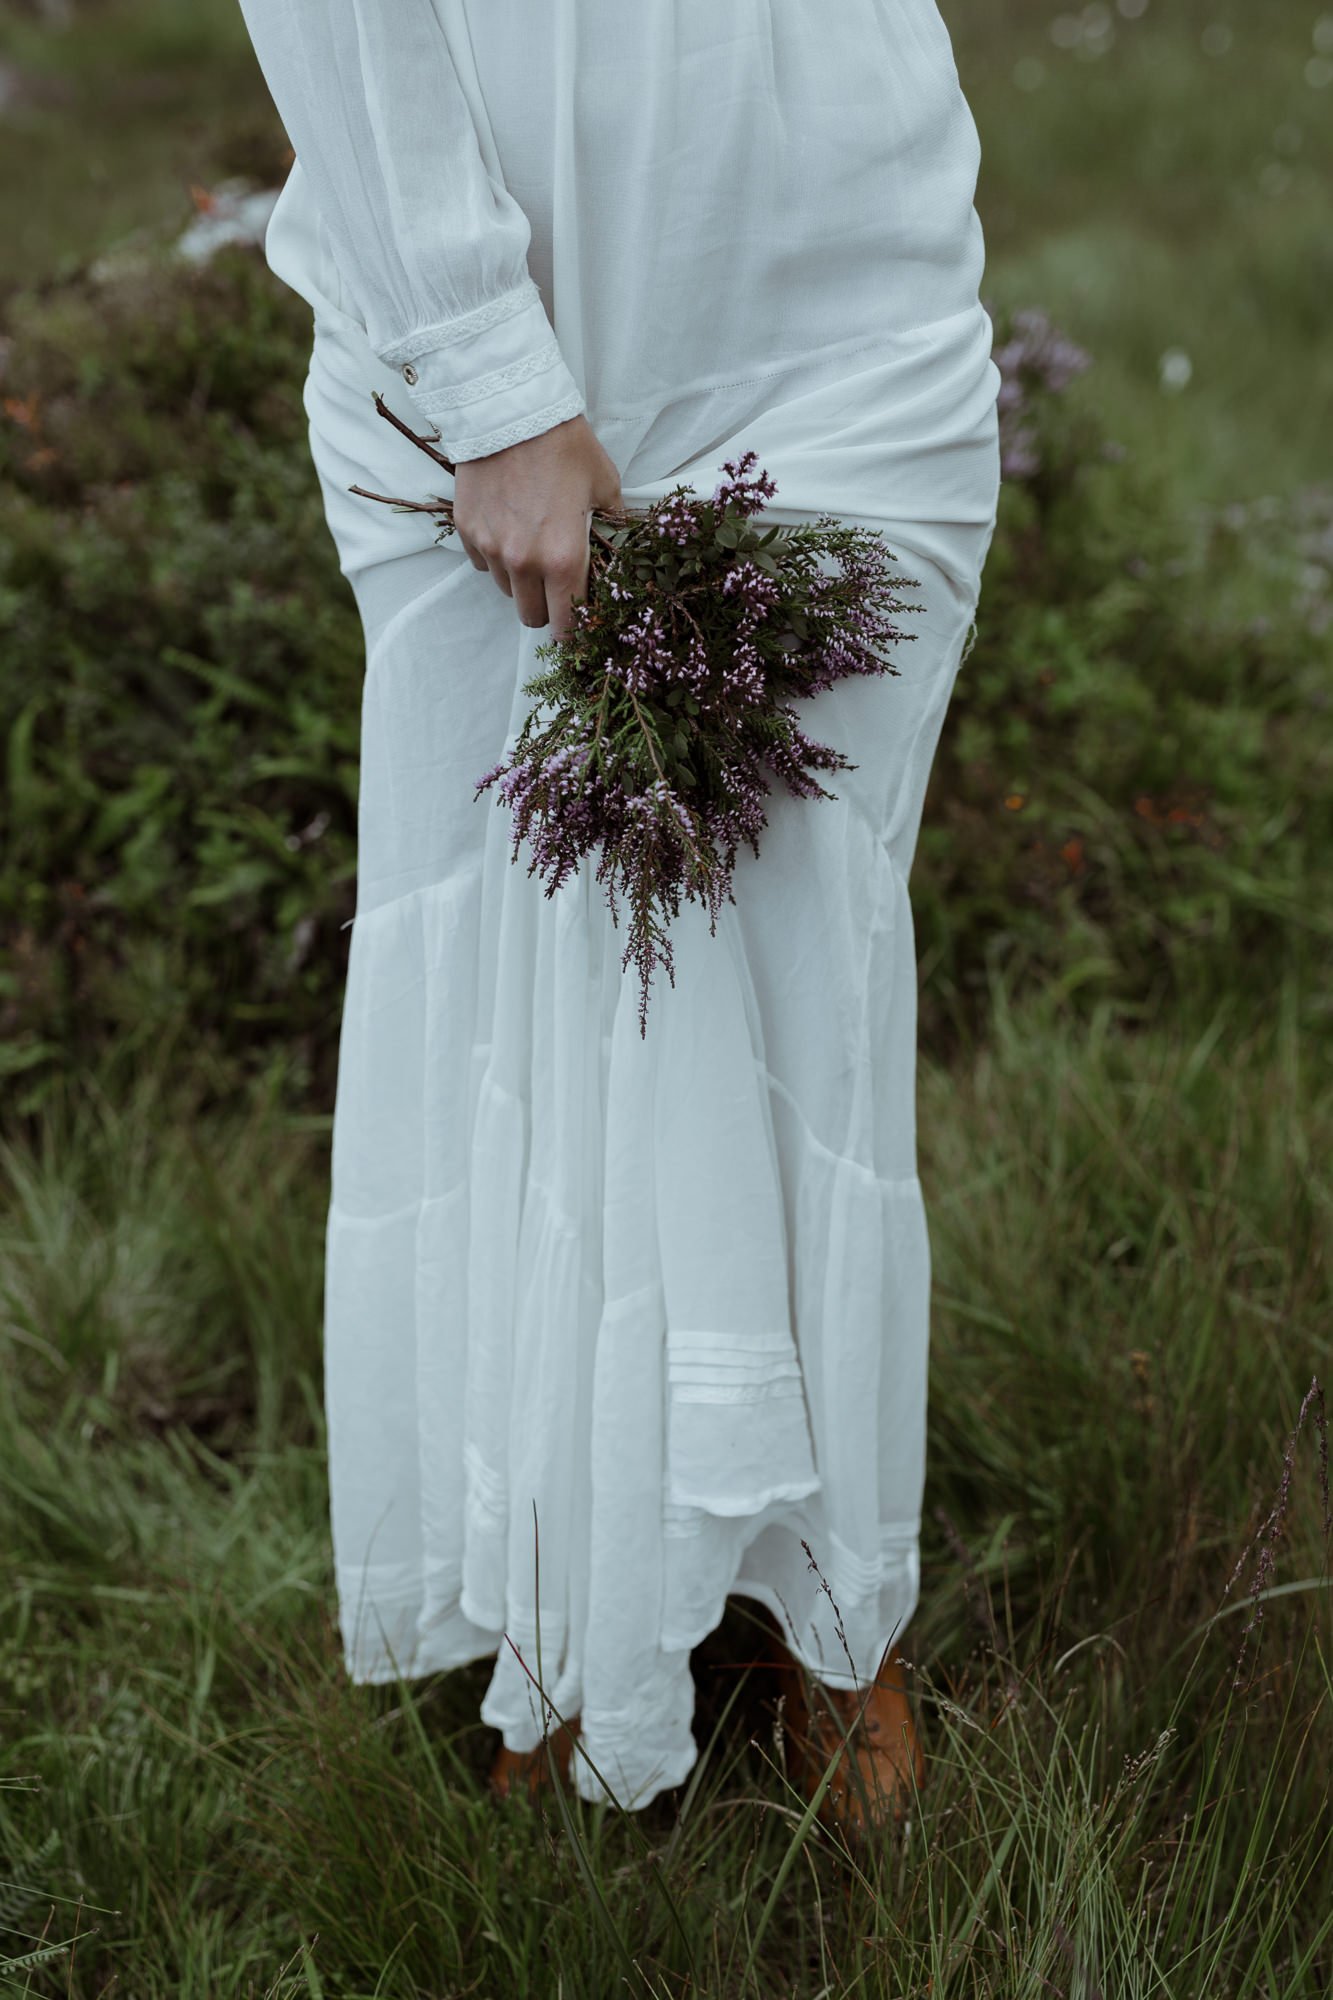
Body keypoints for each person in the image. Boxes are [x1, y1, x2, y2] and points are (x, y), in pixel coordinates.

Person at [235, 0, 1002, 1832]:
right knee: (536, 973)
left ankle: (819, 1598)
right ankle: (574, 1615)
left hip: (847, 298)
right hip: (500, 286)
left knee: (808, 978)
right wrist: (488, 372)